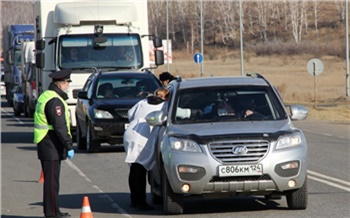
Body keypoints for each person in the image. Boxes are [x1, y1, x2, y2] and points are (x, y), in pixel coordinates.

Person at [33, 69, 74, 218]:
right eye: (68, 82)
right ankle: (51, 213)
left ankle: (54, 211)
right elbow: (60, 126)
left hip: (46, 142)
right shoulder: (55, 100)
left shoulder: (46, 95)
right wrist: (69, 145)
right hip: (51, 143)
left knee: (52, 182)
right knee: (51, 182)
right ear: (61, 84)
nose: (69, 85)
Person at [123, 88, 168, 211]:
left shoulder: (142, 102)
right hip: (143, 135)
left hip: (131, 131)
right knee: (141, 170)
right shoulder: (165, 105)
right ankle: (140, 202)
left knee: (134, 168)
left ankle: (134, 199)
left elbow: (130, 114)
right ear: (165, 97)